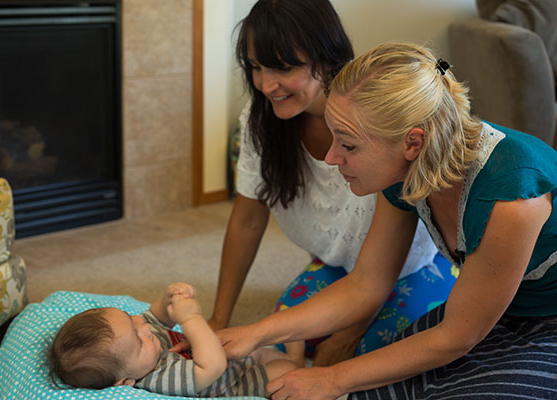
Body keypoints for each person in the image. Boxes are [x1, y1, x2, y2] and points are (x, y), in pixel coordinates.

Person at [215, 41, 557, 400]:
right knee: (379, 387)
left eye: (348, 146)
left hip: (546, 320)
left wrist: (332, 379)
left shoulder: (511, 196)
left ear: (413, 142)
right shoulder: (406, 172)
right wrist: (256, 332)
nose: (331, 158)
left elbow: (456, 337)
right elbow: (365, 285)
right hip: (493, 308)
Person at [209, 0, 454, 366]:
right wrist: (218, 319)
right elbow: (247, 219)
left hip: (411, 266)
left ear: (325, 56)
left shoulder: (378, 125)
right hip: (344, 267)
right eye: (255, 67)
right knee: (284, 334)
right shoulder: (262, 121)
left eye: (282, 67)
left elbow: (376, 275)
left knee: (376, 356)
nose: (264, 84)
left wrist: (346, 336)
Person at [48, 282, 300, 398]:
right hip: (237, 383)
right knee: (287, 373)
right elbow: (213, 367)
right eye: (138, 340)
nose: (142, 326)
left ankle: (289, 354)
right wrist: (191, 319)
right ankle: (295, 360)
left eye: (130, 318)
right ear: (125, 381)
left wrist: (169, 298)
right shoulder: (159, 378)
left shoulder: (143, 348)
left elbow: (156, 316)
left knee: (260, 351)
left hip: (237, 360)